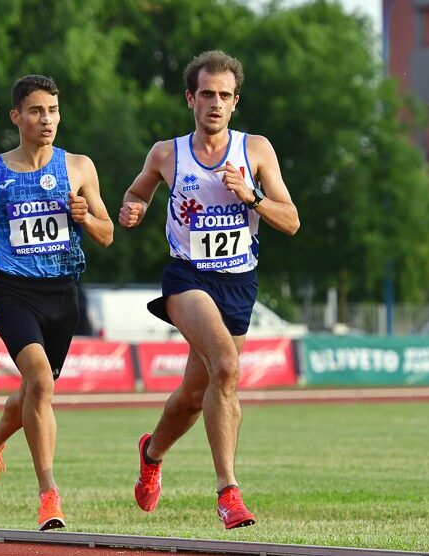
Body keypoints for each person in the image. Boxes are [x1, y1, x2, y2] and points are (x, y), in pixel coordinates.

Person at [119, 50, 300, 529]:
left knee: (195, 392)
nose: (214, 103)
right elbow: (137, 192)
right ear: (190, 100)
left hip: (239, 281)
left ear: (235, 102)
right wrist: (132, 208)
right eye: (206, 94)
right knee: (226, 365)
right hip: (188, 278)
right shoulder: (166, 153)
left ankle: (152, 453)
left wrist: (252, 195)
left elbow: (291, 220)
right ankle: (228, 491)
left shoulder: (256, 150)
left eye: (224, 95)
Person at [0, 74, 113, 531]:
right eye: (38, 111)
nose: (47, 120)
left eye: (54, 111)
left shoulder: (79, 167)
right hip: (13, 291)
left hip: (63, 293)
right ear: (17, 116)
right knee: (39, 381)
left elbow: (107, 235)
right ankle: (49, 495)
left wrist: (86, 216)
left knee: (35, 391)